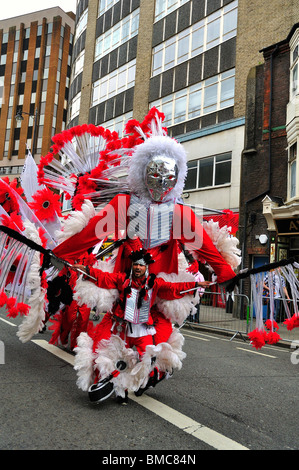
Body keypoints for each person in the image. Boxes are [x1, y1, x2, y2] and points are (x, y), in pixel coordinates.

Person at [73, 248, 212, 404]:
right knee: (118, 358)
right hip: (123, 328)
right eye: (135, 265)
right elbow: (104, 278)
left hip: (144, 329)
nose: (138, 268)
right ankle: (121, 391)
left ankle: (147, 381)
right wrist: (86, 269)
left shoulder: (155, 283)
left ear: (147, 267)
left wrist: (195, 284)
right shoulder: (123, 279)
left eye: (141, 265)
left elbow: (172, 289)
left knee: (147, 360)